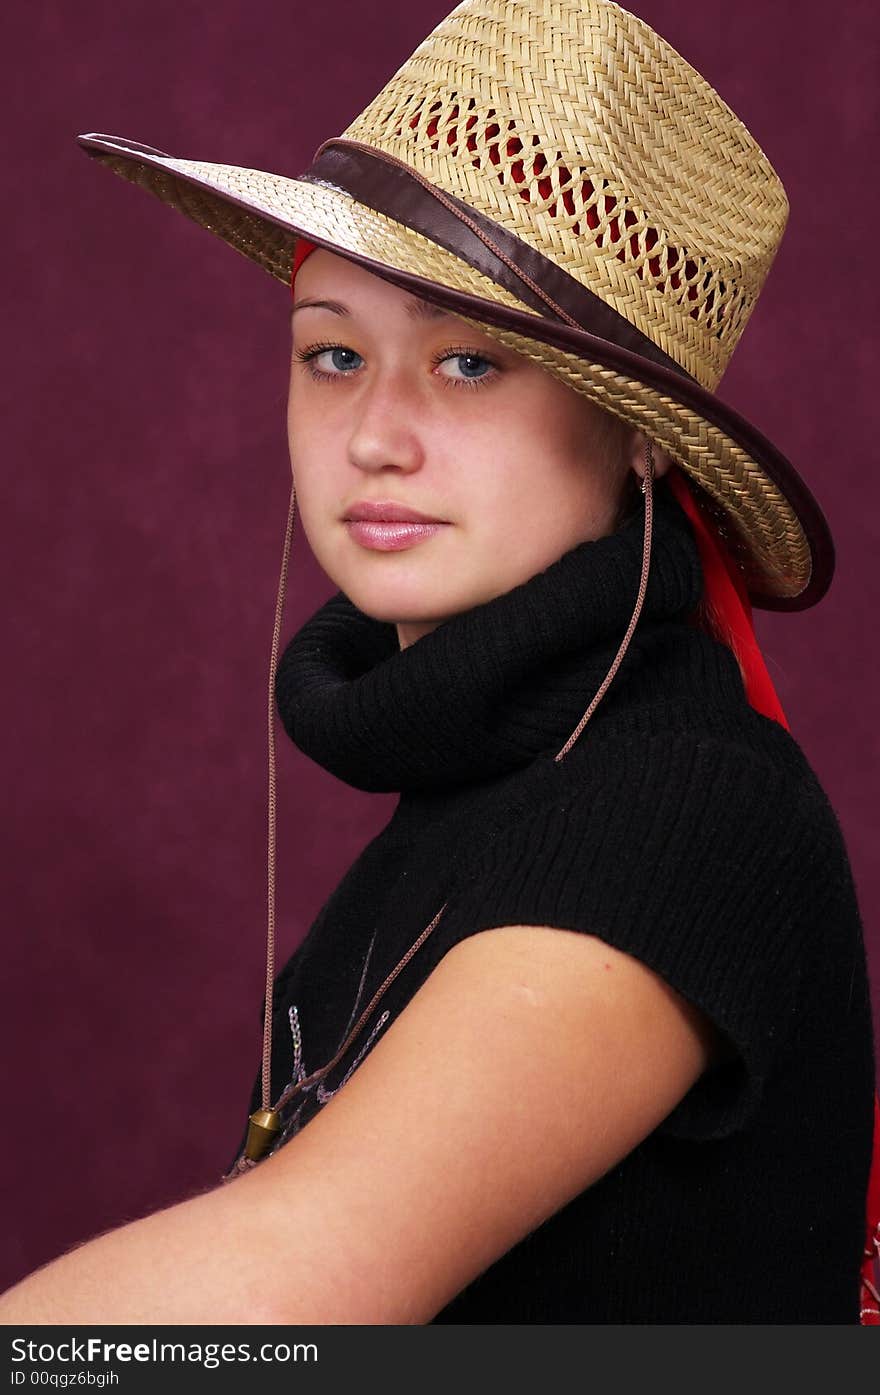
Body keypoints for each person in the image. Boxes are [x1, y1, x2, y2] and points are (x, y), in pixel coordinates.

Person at [1, 0, 877, 1324]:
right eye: (335, 356)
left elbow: (289, 1299)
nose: (374, 437)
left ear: (639, 438)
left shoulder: (686, 811)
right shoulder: (478, 801)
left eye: (470, 362)